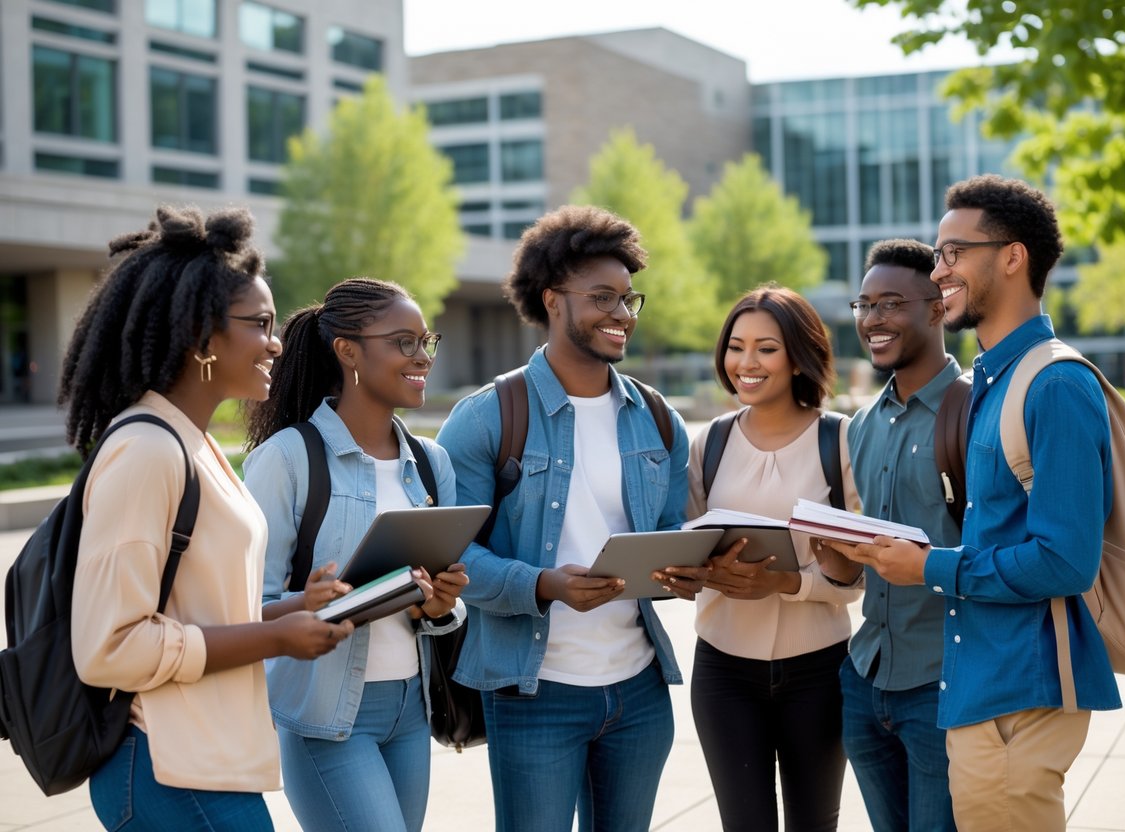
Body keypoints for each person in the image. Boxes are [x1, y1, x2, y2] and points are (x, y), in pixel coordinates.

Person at [838, 175, 1120, 831]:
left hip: (1016, 696)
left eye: (952, 254)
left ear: (1012, 257)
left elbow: (1064, 560)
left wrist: (926, 566)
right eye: (938, 257)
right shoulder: (993, 384)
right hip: (977, 689)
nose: (938, 273)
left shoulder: (1052, 384)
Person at [65, 205, 353, 832]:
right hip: (166, 767)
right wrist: (276, 639)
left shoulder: (192, 442)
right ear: (201, 335)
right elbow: (109, 648)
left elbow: (198, 615)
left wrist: (293, 609)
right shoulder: (147, 450)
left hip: (204, 764)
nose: (277, 341)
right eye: (260, 324)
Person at [436, 204, 692, 832]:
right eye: (603, 297)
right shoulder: (487, 416)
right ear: (553, 300)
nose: (622, 314)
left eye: (630, 300)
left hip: (639, 689)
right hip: (534, 690)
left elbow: (671, 532)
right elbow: (450, 554)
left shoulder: (657, 418)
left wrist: (690, 567)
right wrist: (543, 586)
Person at [243, 277, 470, 832]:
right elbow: (247, 607)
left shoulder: (431, 460)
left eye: (426, 342)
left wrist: (441, 606)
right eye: (403, 342)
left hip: (410, 711)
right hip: (325, 716)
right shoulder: (288, 459)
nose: (422, 358)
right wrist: (322, 603)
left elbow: (447, 605)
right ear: (348, 351)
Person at [665, 284, 864, 832]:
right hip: (724, 670)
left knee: (814, 825)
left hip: (820, 669)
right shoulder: (712, 442)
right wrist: (700, 570)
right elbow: (686, 541)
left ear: (799, 355)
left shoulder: (840, 441)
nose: (745, 362)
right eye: (736, 345)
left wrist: (786, 583)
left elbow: (860, 571)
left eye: (766, 348)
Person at [842, 240, 960, 832]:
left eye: (890, 304)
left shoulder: (974, 411)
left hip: (943, 687)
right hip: (865, 682)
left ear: (938, 307)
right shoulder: (861, 424)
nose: (872, 320)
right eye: (863, 306)